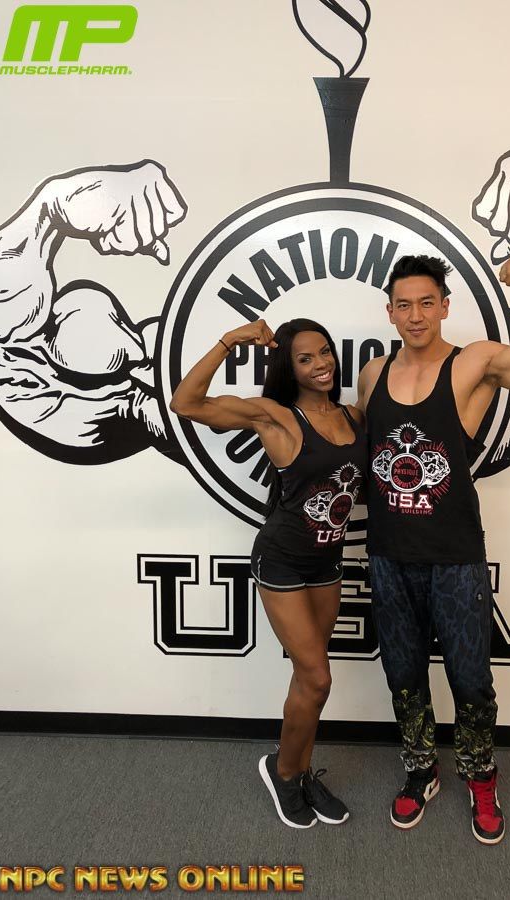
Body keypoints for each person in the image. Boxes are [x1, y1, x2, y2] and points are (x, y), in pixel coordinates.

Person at [355, 253, 510, 841]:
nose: (415, 315)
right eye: (404, 305)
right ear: (389, 312)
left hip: (455, 555)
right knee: (403, 673)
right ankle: (421, 769)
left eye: (426, 303)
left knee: (470, 678)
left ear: (444, 307)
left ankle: (481, 776)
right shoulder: (372, 373)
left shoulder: (474, 362)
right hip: (388, 553)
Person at [170, 317, 365, 829]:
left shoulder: (353, 416)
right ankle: (283, 772)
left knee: (308, 679)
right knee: (318, 677)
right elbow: (185, 403)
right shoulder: (276, 416)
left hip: (327, 561)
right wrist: (229, 341)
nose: (321, 364)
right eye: (305, 358)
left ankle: (299, 768)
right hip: (281, 560)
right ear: (289, 367)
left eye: (325, 352)